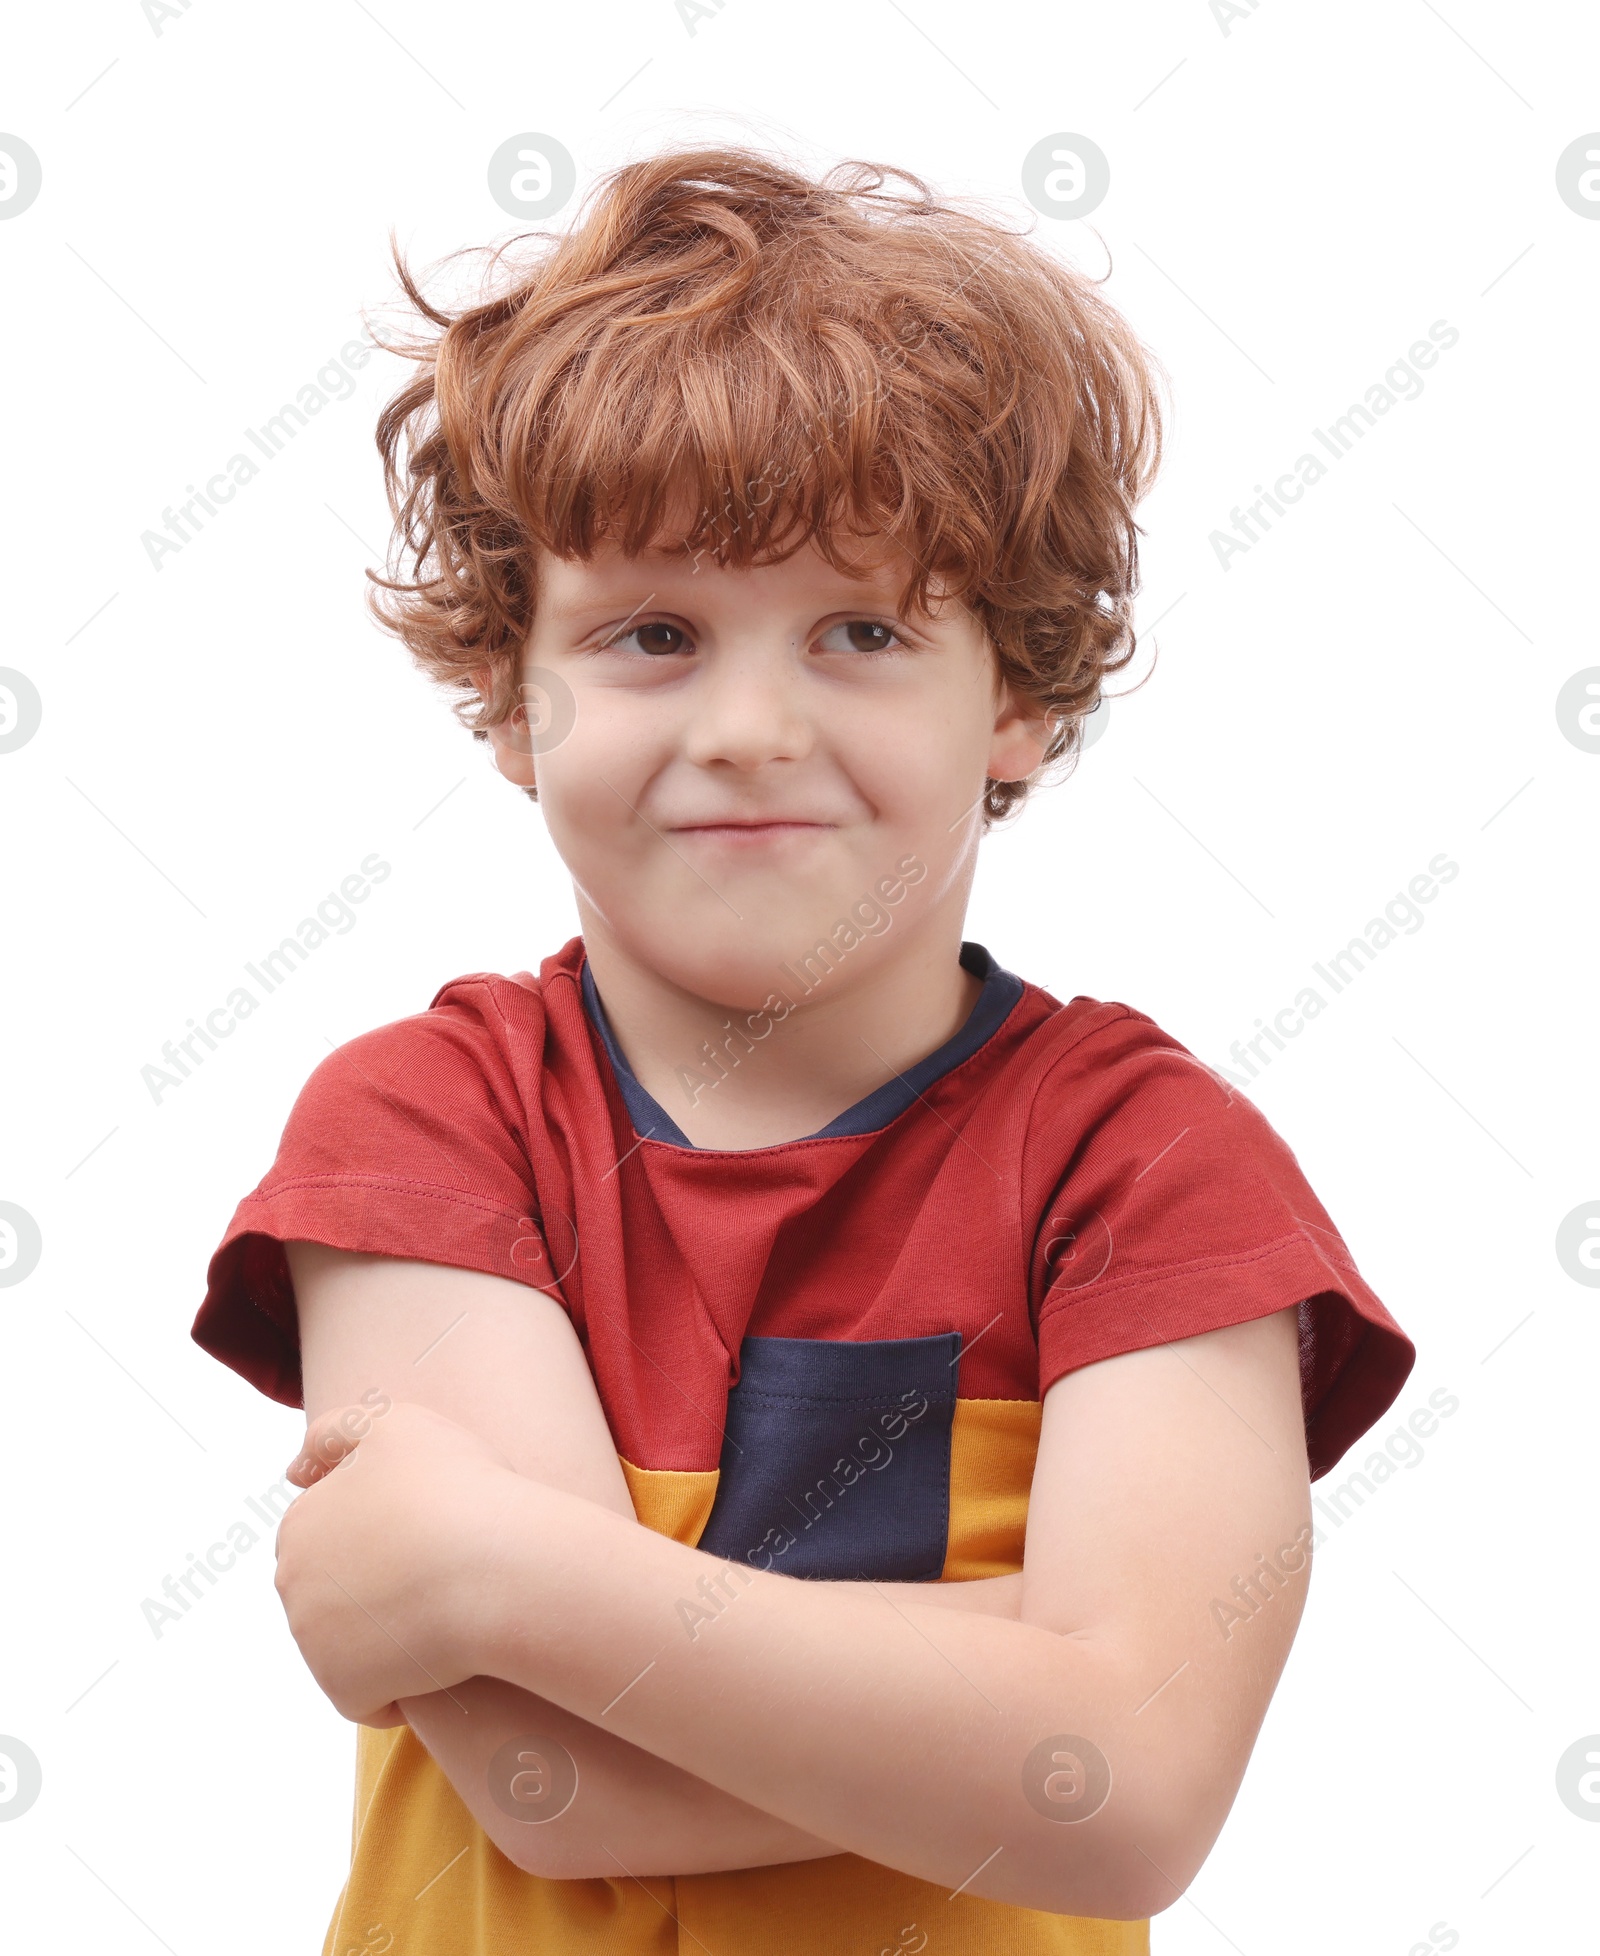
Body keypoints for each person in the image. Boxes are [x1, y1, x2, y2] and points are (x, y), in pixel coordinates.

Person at [191, 144, 1415, 1955]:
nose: (752, 728)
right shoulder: (428, 1119)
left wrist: (499, 1572)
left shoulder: (1149, 1168)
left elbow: (1128, 1794)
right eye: (654, 634)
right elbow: (558, 1794)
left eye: (860, 630)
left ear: (1011, 697)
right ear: (514, 699)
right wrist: (1035, 1678)